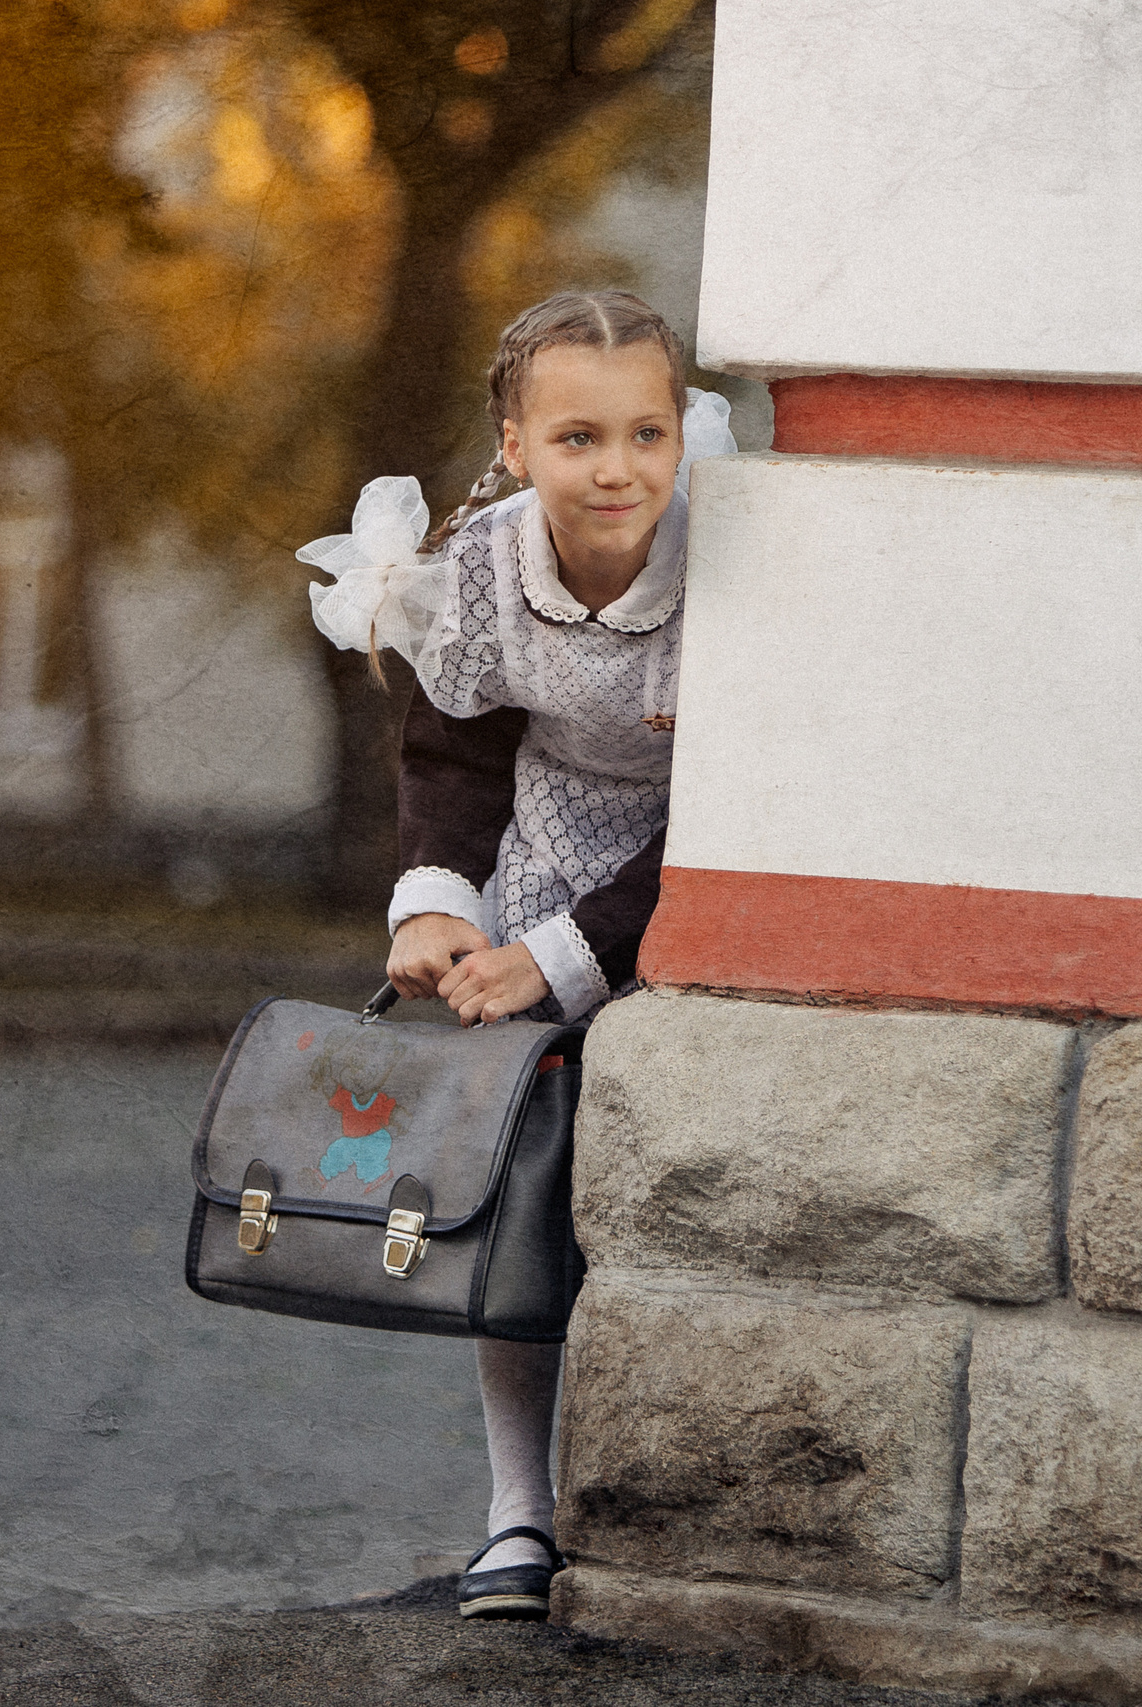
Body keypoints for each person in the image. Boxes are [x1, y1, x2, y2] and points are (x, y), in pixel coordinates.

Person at [299, 289, 732, 1618]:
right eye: (579, 438)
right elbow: (454, 752)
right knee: (521, 1182)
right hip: (541, 854)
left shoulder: (729, 564)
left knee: (670, 1183)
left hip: (691, 870)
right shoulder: (482, 563)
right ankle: (517, 1514)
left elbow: (740, 797)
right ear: (516, 439)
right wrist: (440, 908)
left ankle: (672, 1503)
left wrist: (563, 956)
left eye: (647, 433)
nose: (617, 470)